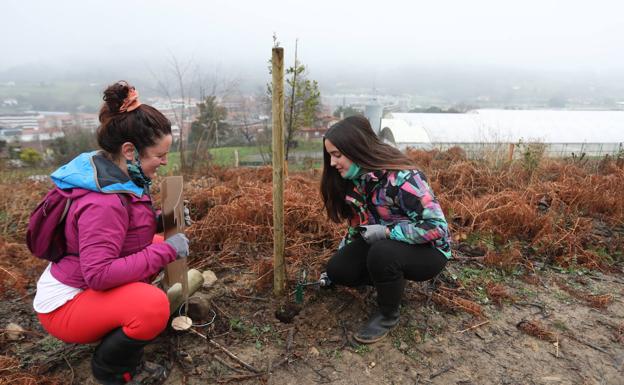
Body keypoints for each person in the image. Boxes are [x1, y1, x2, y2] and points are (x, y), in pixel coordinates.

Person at [32, 81, 190, 385]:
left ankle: (121, 323)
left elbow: (125, 230)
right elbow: (99, 274)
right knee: (152, 304)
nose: (164, 162)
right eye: (159, 154)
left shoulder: (115, 174)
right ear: (130, 150)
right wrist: (168, 251)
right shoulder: (103, 202)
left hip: (82, 283)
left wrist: (161, 222)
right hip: (66, 306)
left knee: (157, 243)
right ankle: (113, 370)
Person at [320, 115, 452, 344]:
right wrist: (338, 261)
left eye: (337, 155)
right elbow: (355, 226)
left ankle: (388, 313)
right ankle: (390, 280)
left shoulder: (403, 178)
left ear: (356, 149)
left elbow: (437, 228)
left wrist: (389, 232)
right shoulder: (356, 180)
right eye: (330, 155)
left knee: (382, 253)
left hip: (428, 251)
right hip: (385, 246)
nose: (332, 163)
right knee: (339, 270)